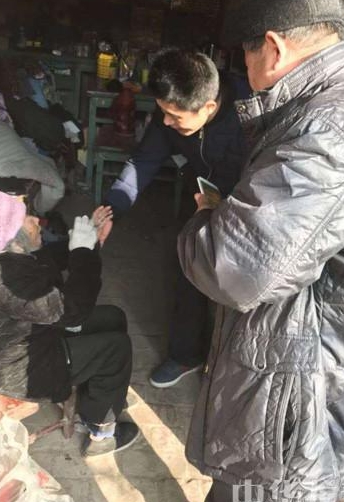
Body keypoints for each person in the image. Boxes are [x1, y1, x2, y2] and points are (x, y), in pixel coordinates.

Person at [177, 0, 344, 502]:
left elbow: (234, 269)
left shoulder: (329, 129)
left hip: (310, 392)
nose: (247, 75)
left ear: (274, 46)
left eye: (246, 59)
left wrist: (204, 220)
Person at [0, 189, 139, 457]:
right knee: (116, 349)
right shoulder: (5, 281)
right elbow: (73, 311)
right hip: (17, 368)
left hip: (24, 339)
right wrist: (83, 252)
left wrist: (89, 241)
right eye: (26, 219)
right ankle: (101, 431)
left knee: (113, 317)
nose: (36, 221)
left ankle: (103, 397)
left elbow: (42, 261)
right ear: (12, 240)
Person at [105, 48, 247, 388]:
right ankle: (186, 354)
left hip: (248, 207)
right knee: (190, 268)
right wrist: (112, 208)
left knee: (240, 287)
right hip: (201, 199)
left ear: (208, 108)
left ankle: (232, 370)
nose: (165, 121)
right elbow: (143, 161)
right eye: (163, 112)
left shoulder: (250, 113)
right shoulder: (170, 113)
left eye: (174, 116)